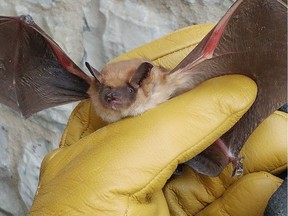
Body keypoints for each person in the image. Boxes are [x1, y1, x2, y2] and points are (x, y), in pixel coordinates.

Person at [29, 24, 287, 216]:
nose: (112, 98)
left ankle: (225, 152)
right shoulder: (94, 94)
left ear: (141, 82)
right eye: (106, 90)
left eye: (125, 91)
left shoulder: (163, 85)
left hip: (188, 144)